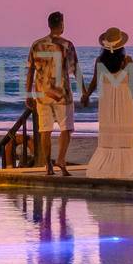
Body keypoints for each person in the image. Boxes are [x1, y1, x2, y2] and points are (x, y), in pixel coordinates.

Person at [81, 27, 133, 180]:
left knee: (109, 136)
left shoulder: (99, 61)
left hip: (107, 101)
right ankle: (124, 169)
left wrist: (86, 95)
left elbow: (94, 82)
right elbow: (132, 86)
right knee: (124, 135)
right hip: (124, 100)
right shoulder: (127, 60)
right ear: (121, 45)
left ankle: (106, 168)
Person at [26, 10, 79, 176]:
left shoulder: (36, 44)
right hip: (62, 93)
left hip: (42, 94)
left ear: (49, 25)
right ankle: (61, 160)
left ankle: (48, 165)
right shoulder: (66, 45)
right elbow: (74, 69)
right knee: (66, 128)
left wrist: (28, 94)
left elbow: (30, 71)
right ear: (61, 24)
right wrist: (85, 90)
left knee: (45, 130)